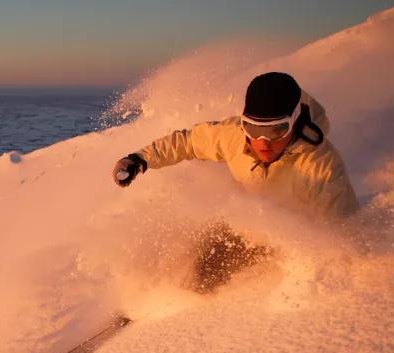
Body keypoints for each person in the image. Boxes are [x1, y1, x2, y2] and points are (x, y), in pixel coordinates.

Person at [111, 72, 360, 293]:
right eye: (252, 128)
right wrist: (140, 159)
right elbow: (188, 142)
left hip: (282, 247)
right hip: (243, 228)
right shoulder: (234, 136)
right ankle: (152, 301)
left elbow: (338, 237)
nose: (262, 141)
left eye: (276, 130)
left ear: (295, 122)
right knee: (190, 266)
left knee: (207, 282)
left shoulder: (322, 167)